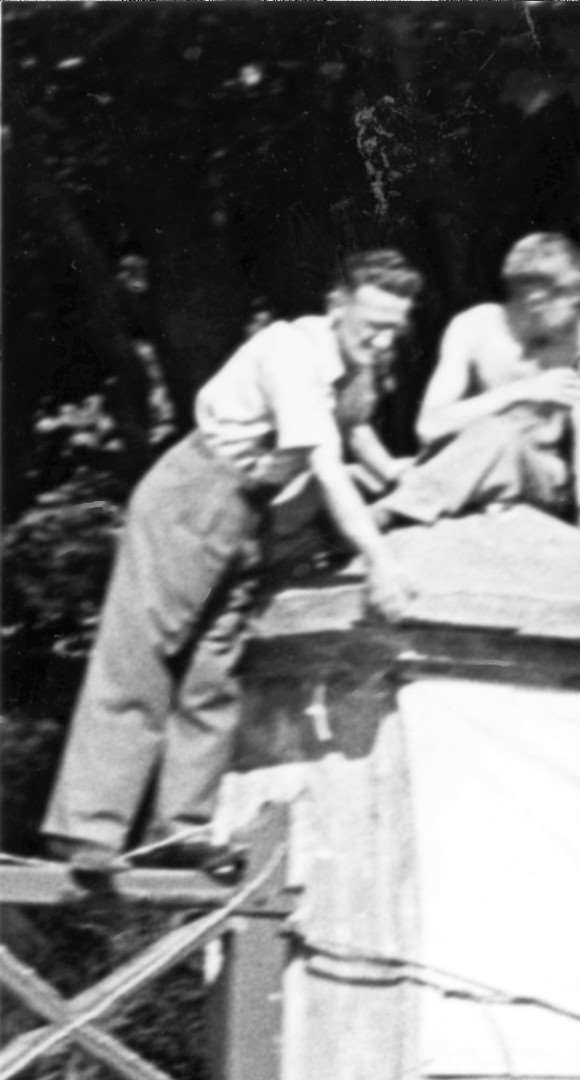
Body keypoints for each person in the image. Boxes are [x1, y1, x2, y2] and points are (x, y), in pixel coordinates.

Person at [42, 249, 424, 874]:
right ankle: (88, 834)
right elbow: (322, 463)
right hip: (199, 492)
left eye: (393, 330)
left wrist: (399, 474)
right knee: (141, 658)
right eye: (371, 326)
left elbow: (352, 432)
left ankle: (180, 831)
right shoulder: (292, 355)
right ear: (336, 307)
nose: (382, 342)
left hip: (256, 510)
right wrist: (378, 560)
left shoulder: (356, 367)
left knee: (213, 674)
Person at [376, 233, 580, 535]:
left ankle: (392, 512)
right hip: (468, 463)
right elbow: (429, 427)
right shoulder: (473, 326)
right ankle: (408, 506)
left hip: (536, 474)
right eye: (572, 302)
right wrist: (522, 391)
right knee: (495, 431)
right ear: (535, 298)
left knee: (502, 436)